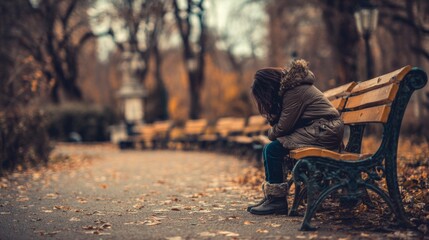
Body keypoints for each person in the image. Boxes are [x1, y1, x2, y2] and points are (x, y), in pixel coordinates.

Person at [248, 59, 344, 215]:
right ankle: (272, 197)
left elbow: (283, 127)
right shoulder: (292, 89)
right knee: (271, 149)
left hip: (325, 130)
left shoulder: (294, 92)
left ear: (269, 86)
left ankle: (277, 201)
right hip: (319, 129)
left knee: (272, 149)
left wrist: (270, 133)